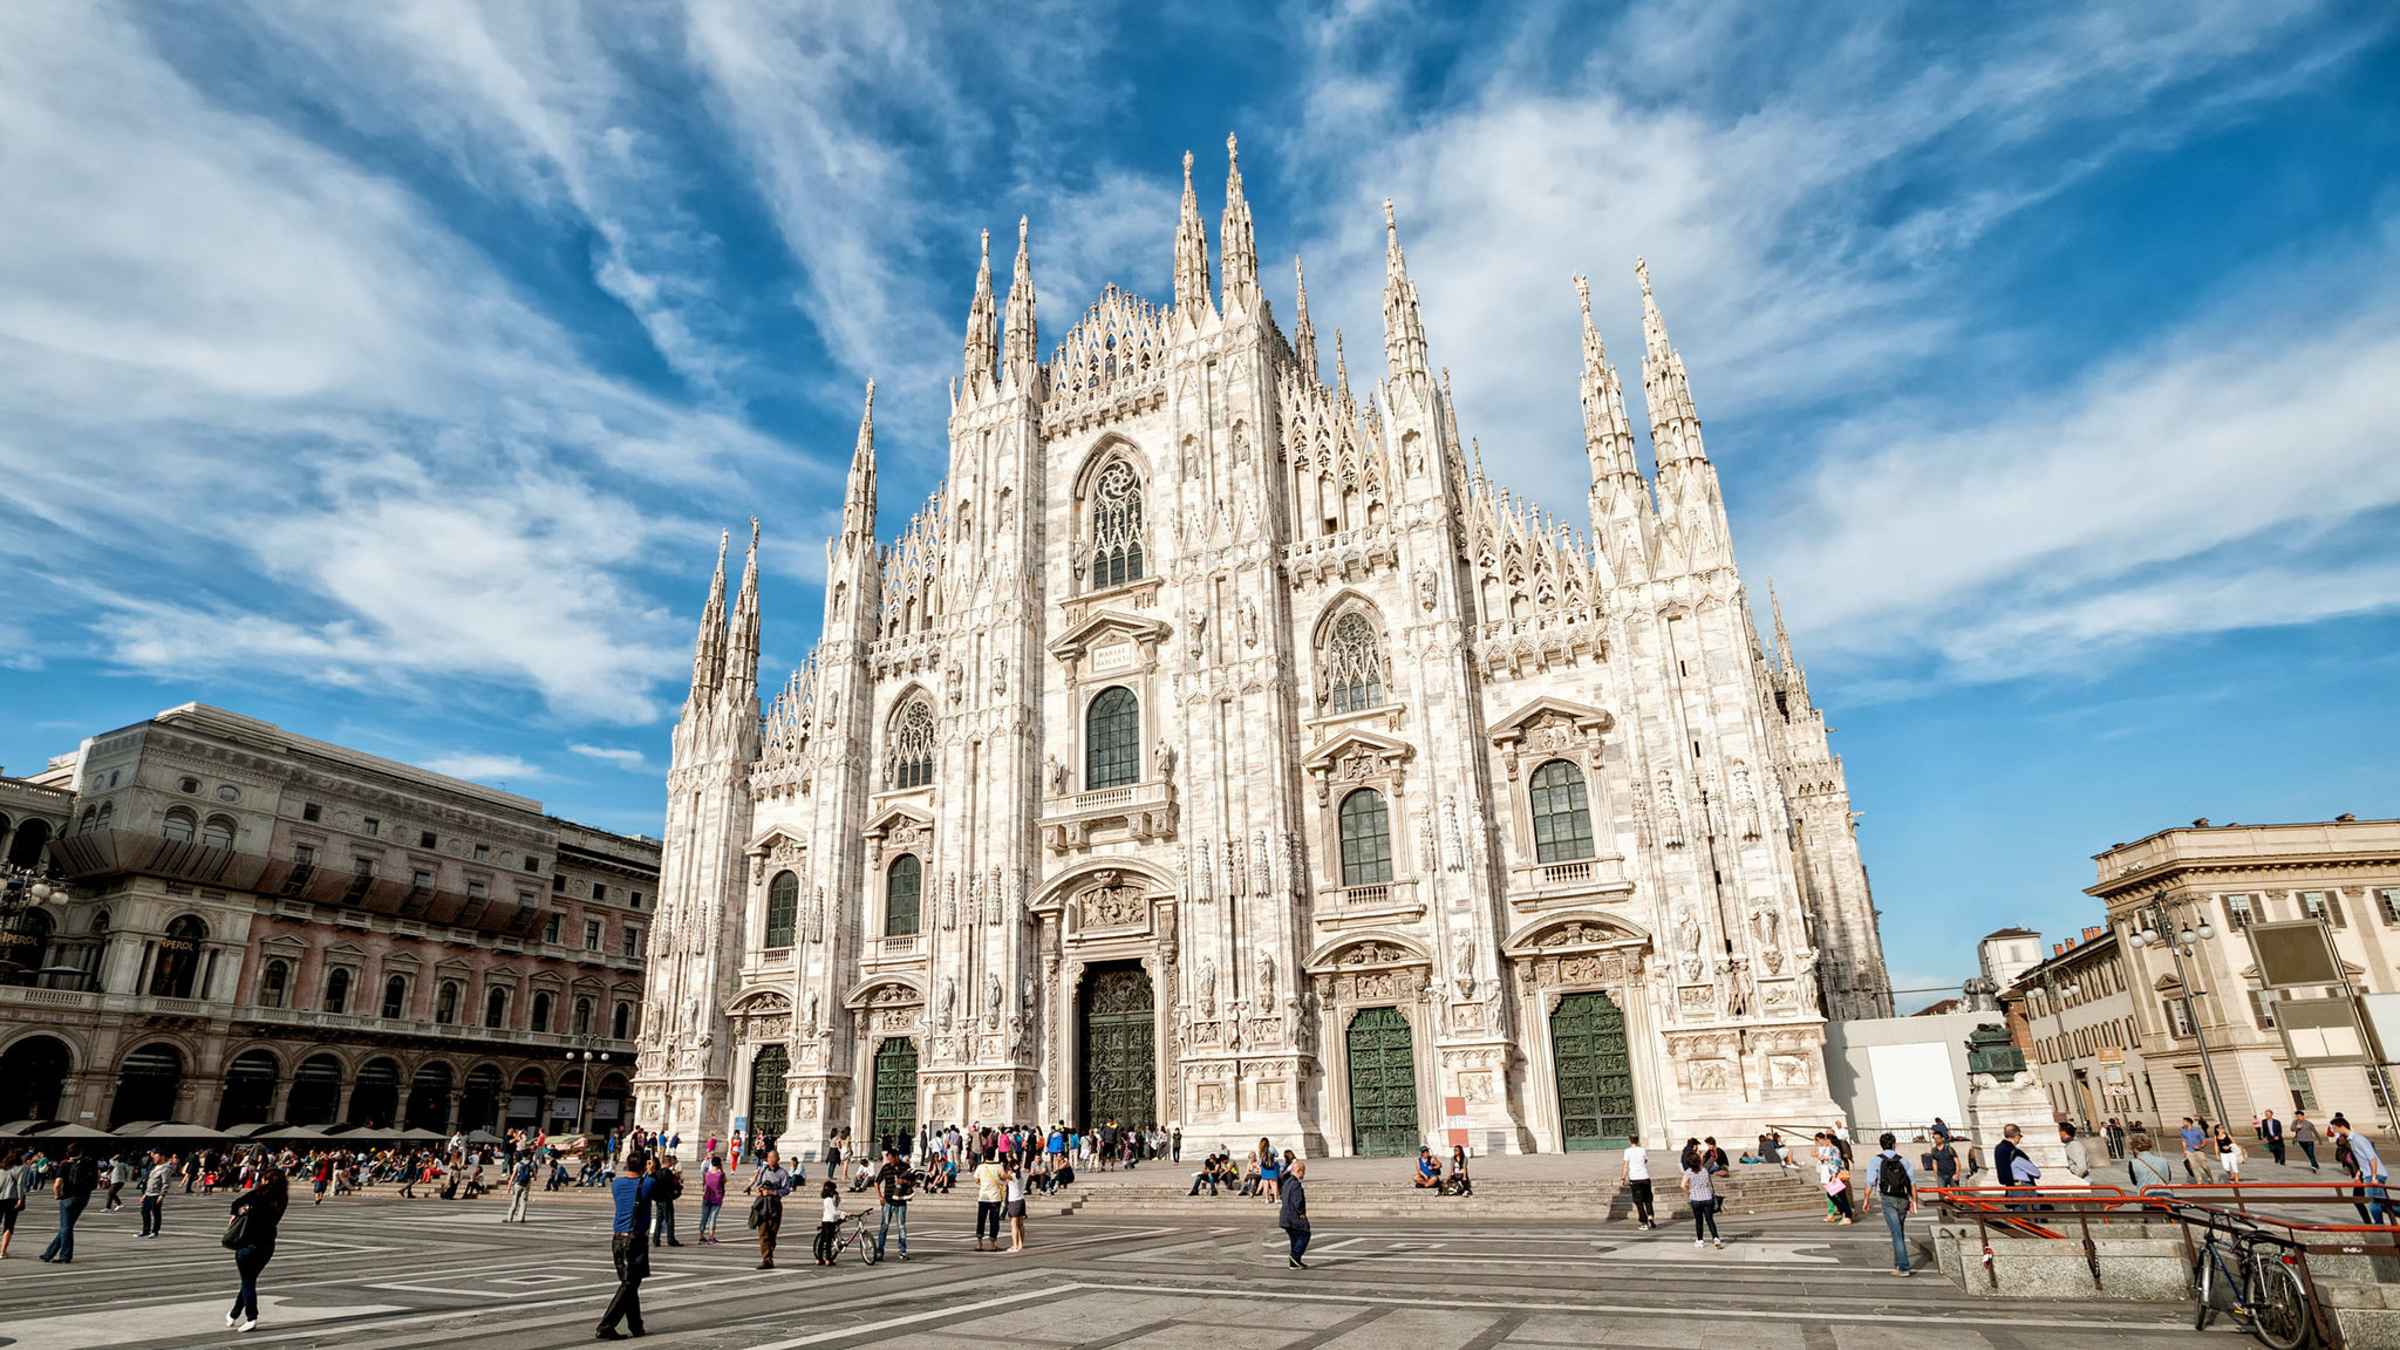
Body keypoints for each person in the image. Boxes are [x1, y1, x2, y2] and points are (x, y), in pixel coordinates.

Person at [597, 1151, 654, 1340]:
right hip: (635, 1240)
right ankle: (606, 1325)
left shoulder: (616, 1184)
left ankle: (636, 1326)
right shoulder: (647, 1183)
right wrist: (652, 1172)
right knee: (629, 1285)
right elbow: (667, 1192)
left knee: (630, 1284)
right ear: (643, 1166)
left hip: (617, 1240)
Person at [224, 1164, 287, 1333]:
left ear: (266, 1180)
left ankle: (251, 1317)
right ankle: (234, 1313)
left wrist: (240, 1211)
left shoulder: (258, 1195)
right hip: (267, 1245)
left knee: (248, 1280)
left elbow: (236, 1203)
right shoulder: (282, 1199)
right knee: (248, 1280)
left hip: (248, 1244)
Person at [1865, 1132, 1916, 1276]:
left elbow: (1870, 1182)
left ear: (1881, 1145)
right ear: (1894, 1144)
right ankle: (1899, 1265)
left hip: (1887, 1199)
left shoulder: (1875, 1160)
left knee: (1896, 1232)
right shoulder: (1903, 1160)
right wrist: (1914, 1201)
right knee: (1898, 1230)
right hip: (1903, 1198)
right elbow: (1912, 1183)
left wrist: (1866, 1200)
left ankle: (1904, 1267)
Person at [38, 1143, 96, 1264]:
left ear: (67, 1153)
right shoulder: (89, 1163)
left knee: (66, 1227)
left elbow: (58, 1183)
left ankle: (65, 1256)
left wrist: (57, 1195)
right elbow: (96, 1178)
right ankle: (48, 1254)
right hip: (84, 1197)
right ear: (80, 1152)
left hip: (68, 1197)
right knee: (67, 1226)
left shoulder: (64, 1165)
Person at [747, 1149, 791, 1269]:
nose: (771, 1160)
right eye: (769, 1158)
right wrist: (760, 1189)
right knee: (763, 1233)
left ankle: (769, 1254)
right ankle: (766, 1259)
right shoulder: (763, 1170)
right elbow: (758, 1184)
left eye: (773, 1158)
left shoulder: (783, 1173)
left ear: (778, 1159)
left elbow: (786, 1189)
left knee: (772, 1234)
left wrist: (772, 1192)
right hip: (762, 1204)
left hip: (775, 1205)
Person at [1681, 1139, 1722, 1249]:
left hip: (1695, 1199)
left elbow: (1682, 1185)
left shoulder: (1688, 1172)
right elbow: (1707, 1160)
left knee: (1699, 1220)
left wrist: (1688, 1192)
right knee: (1710, 1219)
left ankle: (1700, 1240)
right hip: (1707, 1197)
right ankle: (1716, 1238)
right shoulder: (1704, 1170)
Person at [874, 1147, 912, 1262]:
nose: (890, 1162)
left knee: (901, 1227)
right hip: (888, 1201)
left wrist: (904, 1182)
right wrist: (880, 1196)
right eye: (888, 1159)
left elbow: (913, 1182)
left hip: (901, 1201)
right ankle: (880, 1251)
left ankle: (903, 1251)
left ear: (896, 1157)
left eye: (891, 1159)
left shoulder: (905, 1167)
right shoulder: (885, 1168)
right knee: (884, 1227)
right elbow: (877, 1182)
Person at [972, 1150, 1006, 1252]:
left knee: (981, 1220)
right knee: (994, 1221)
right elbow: (1003, 1177)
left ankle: (979, 1243)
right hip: (995, 1197)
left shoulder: (980, 1167)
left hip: (983, 1197)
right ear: (993, 1156)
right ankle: (993, 1244)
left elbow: (977, 1180)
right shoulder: (998, 1166)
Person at [1279, 1157, 1310, 1268]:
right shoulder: (1296, 1184)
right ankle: (1295, 1256)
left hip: (1285, 1216)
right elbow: (1298, 1201)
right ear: (1299, 1171)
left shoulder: (1287, 1182)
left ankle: (1294, 1262)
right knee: (1305, 1234)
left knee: (1295, 1238)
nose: (1304, 1175)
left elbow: (1282, 1196)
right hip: (1294, 1217)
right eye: (1303, 1172)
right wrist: (1302, 1213)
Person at [1621, 1133, 1656, 1230]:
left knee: (1638, 1201)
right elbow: (1645, 1161)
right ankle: (1650, 1216)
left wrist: (1623, 1177)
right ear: (1638, 1140)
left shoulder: (1627, 1151)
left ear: (1629, 1140)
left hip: (1635, 1178)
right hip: (1645, 1177)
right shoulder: (1642, 1150)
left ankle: (1644, 1222)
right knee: (1648, 1199)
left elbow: (1625, 1165)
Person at [0, 1148, 28, 1260]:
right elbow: (20, 1185)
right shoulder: (21, 1168)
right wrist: (21, 1199)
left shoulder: (2, 1167)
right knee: (9, 1225)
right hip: (12, 1199)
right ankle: (2, 1252)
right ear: (20, 1157)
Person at [650, 1154, 682, 1248]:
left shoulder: (657, 1172)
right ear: (668, 1162)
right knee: (669, 1220)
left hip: (658, 1199)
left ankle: (656, 1239)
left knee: (659, 1219)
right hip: (666, 1198)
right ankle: (671, 1239)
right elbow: (672, 1185)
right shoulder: (667, 1172)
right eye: (671, 1162)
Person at [813, 1178, 843, 1266]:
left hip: (825, 1220)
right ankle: (828, 1259)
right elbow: (833, 1212)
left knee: (822, 1240)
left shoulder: (826, 1199)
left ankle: (819, 1259)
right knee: (828, 1241)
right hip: (830, 1221)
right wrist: (843, 1213)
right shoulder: (829, 1200)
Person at [697, 1155, 726, 1245]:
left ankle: (701, 1235)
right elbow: (724, 1183)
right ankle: (711, 1236)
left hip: (706, 1197)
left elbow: (704, 1184)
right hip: (717, 1198)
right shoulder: (721, 1174)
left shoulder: (707, 1174)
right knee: (713, 1218)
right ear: (720, 1164)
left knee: (704, 1217)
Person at [1005, 1156, 1029, 1252]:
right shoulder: (1021, 1176)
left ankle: (1015, 1245)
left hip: (1014, 1201)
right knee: (1021, 1224)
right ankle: (1020, 1244)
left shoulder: (1012, 1177)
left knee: (1013, 1224)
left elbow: (1002, 1176)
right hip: (1021, 1200)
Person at [506, 1151, 536, 1223]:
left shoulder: (518, 1164)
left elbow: (513, 1176)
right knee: (523, 1202)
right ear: (528, 1155)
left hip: (517, 1184)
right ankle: (521, 1218)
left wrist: (509, 1187)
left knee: (514, 1202)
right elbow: (535, 1176)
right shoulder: (531, 1164)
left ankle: (510, 1218)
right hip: (526, 1185)